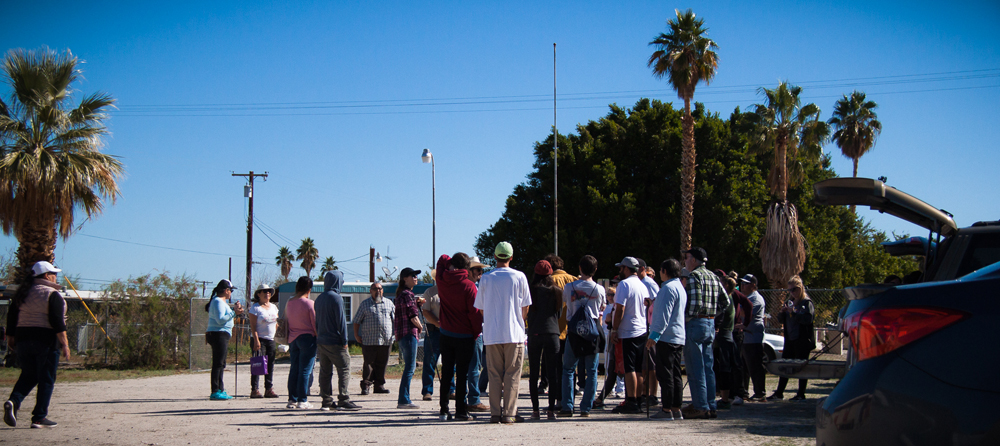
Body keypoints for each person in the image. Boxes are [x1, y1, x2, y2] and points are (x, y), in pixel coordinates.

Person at [3, 261, 71, 428]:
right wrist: (65, 344)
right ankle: (39, 417)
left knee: (29, 374)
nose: (56, 277)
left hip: (23, 340)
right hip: (45, 340)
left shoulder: (22, 293)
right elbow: (57, 322)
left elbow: (12, 317)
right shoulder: (52, 294)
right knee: (46, 378)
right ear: (47, 276)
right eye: (54, 274)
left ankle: (14, 401)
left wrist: (10, 337)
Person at [475, 241, 531, 424]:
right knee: (512, 374)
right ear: (511, 257)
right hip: (514, 333)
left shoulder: (486, 278)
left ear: (495, 257)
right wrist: (519, 321)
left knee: (494, 374)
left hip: (492, 334)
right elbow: (525, 307)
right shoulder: (520, 276)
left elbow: (481, 308)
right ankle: (509, 413)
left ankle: (495, 413)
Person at [681, 247, 729, 420]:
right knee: (708, 367)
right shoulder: (714, 277)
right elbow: (726, 301)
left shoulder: (694, 276)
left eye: (687, 258)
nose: (685, 261)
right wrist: (713, 314)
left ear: (694, 260)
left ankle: (700, 406)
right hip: (710, 322)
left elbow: (695, 304)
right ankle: (710, 404)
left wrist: (686, 318)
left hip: (696, 323)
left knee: (695, 367)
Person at [435, 253, 484, 421]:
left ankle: (443, 410)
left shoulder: (442, 280)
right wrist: (476, 333)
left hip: (446, 333)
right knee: (462, 374)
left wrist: (450, 263)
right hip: (465, 335)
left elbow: (441, 259)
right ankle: (461, 411)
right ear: (467, 268)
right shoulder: (469, 286)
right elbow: (474, 314)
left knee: (447, 373)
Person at [560, 255, 606, 417]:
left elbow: (566, 303)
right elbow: (601, 308)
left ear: (580, 268)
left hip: (574, 331)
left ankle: (567, 406)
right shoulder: (599, 289)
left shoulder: (569, 287)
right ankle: (586, 407)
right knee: (592, 371)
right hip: (592, 332)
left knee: (568, 369)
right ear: (595, 270)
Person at [646, 259, 687, 420]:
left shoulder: (667, 288)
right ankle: (676, 407)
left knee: (665, 374)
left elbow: (663, 315)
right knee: (676, 373)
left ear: (664, 271)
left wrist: (654, 335)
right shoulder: (680, 287)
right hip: (678, 336)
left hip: (666, 336)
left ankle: (666, 409)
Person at [609, 257, 649, 414]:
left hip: (628, 330)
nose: (620, 271)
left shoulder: (624, 285)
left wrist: (615, 329)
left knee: (629, 367)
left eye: (621, 268)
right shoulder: (642, 285)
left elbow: (620, 308)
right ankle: (638, 399)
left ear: (626, 268)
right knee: (638, 368)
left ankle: (631, 400)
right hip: (641, 329)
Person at [315, 270, 360, 411]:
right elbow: (341, 321)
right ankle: (343, 399)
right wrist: (345, 340)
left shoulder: (319, 298)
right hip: (335, 341)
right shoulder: (337, 298)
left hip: (322, 341)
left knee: (325, 371)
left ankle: (326, 400)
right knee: (344, 368)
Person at [526, 260, 561, 420]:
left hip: (535, 332)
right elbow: (558, 313)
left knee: (534, 374)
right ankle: (551, 410)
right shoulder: (557, 291)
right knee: (552, 373)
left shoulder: (531, 290)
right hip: (552, 332)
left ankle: (535, 410)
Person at [770, 275, 815, 401]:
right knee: (785, 365)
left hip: (802, 340)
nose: (792, 292)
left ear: (800, 288)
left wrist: (793, 312)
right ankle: (779, 392)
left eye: (794, 289)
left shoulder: (806, 303)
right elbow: (780, 320)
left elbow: (808, 320)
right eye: (789, 290)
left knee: (801, 366)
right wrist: (782, 312)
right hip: (790, 339)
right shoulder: (789, 302)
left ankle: (801, 393)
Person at [353, 282, 394, 396]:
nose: (378, 291)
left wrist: (396, 334)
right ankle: (366, 385)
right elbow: (356, 321)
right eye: (375, 289)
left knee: (382, 363)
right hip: (369, 340)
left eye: (380, 289)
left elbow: (395, 320)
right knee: (369, 364)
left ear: (382, 290)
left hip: (386, 340)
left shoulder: (389, 303)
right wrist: (356, 335)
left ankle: (379, 385)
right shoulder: (365, 304)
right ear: (370, 291)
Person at [206, 279, 243, 401]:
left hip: (222, 334)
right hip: (218, 334)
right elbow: (220, 320)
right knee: (218, 363)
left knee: (221, 363)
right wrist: (234, 313)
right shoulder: (218, 301)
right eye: (231, 290)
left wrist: (234, 311)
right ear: (226, 290)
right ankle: (215, 390)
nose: (231, 293)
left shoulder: (221, 302)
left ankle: (220, 389)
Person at [544, 254, 575, 396]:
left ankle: (557, 395)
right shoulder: (574, 280)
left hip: (555, 328)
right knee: (571, 365)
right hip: (572, 328)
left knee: (556, 365)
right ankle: (570, 392)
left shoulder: (549, 281)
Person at [394, 267, 424, 409]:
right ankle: (404, 399)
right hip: (409, 333)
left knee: (408, 366)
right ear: (405, 278)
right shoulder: (408, 294)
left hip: (401, 335)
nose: (415, 278)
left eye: (416, 276)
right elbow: (412, 316)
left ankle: (404, 398)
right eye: (412, 275)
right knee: (410, 367)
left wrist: (417, 304)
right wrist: (420, 326)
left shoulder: (401, 294)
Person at [286, 276, 317, 409]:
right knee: (305, 370)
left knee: (294, 369)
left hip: (293, 337)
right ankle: (302, 399)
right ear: (309, 289)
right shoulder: (309, 303)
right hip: (307, 338)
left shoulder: (289, 302)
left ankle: (292, 399)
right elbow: (314, 323)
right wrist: (318, 336)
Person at [739, 274, 768, 402]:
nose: (742, 286)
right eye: (742, 283)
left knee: (755, 366)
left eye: (745, 283)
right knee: (744, 367)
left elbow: (745, 312)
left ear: (753, 285)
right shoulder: (745, 298)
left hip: (754, 338)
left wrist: (736, 307)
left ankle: (760, 393)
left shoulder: (756, 298)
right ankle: (744, 392)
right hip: (745, 337)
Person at [636, 259, 660, 407]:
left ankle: (653, 394)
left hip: (650, 327)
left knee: (651, 365)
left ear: (642, 269)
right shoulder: (639, 283)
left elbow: (656, 304)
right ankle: (644, 392)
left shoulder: (650, 284)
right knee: (644, 364)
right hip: (642, 328)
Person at [249, 283, 279, 399]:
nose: (267, 293)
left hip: (271, 339)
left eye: (269, 292)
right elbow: (253, 326)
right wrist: (256, 340)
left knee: (270, 364)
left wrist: (279, 336)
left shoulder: (274, 307)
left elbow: (276, 323)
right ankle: (254, 389)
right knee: (258, 364)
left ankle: (268, 388)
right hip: (259, 339)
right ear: (259, 294)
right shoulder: (255, 308)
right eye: (265, 291)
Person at [713, 276, 738, 410]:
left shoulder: (726, 300)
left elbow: (719, 316)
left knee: (724, 368)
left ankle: (725, 398)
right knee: (722, 367)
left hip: (724, 336)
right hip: (724, 337)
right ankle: (724, 396)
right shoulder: (729, 298)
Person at [420, 280, 446, 401]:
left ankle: (450, 389)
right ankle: (427, 391)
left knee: (449, 362)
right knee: (430, 362)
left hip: (449, 331)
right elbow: (425, 311)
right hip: (433, 331)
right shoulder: (430, 292)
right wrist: (438, 323)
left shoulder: (452, 290)